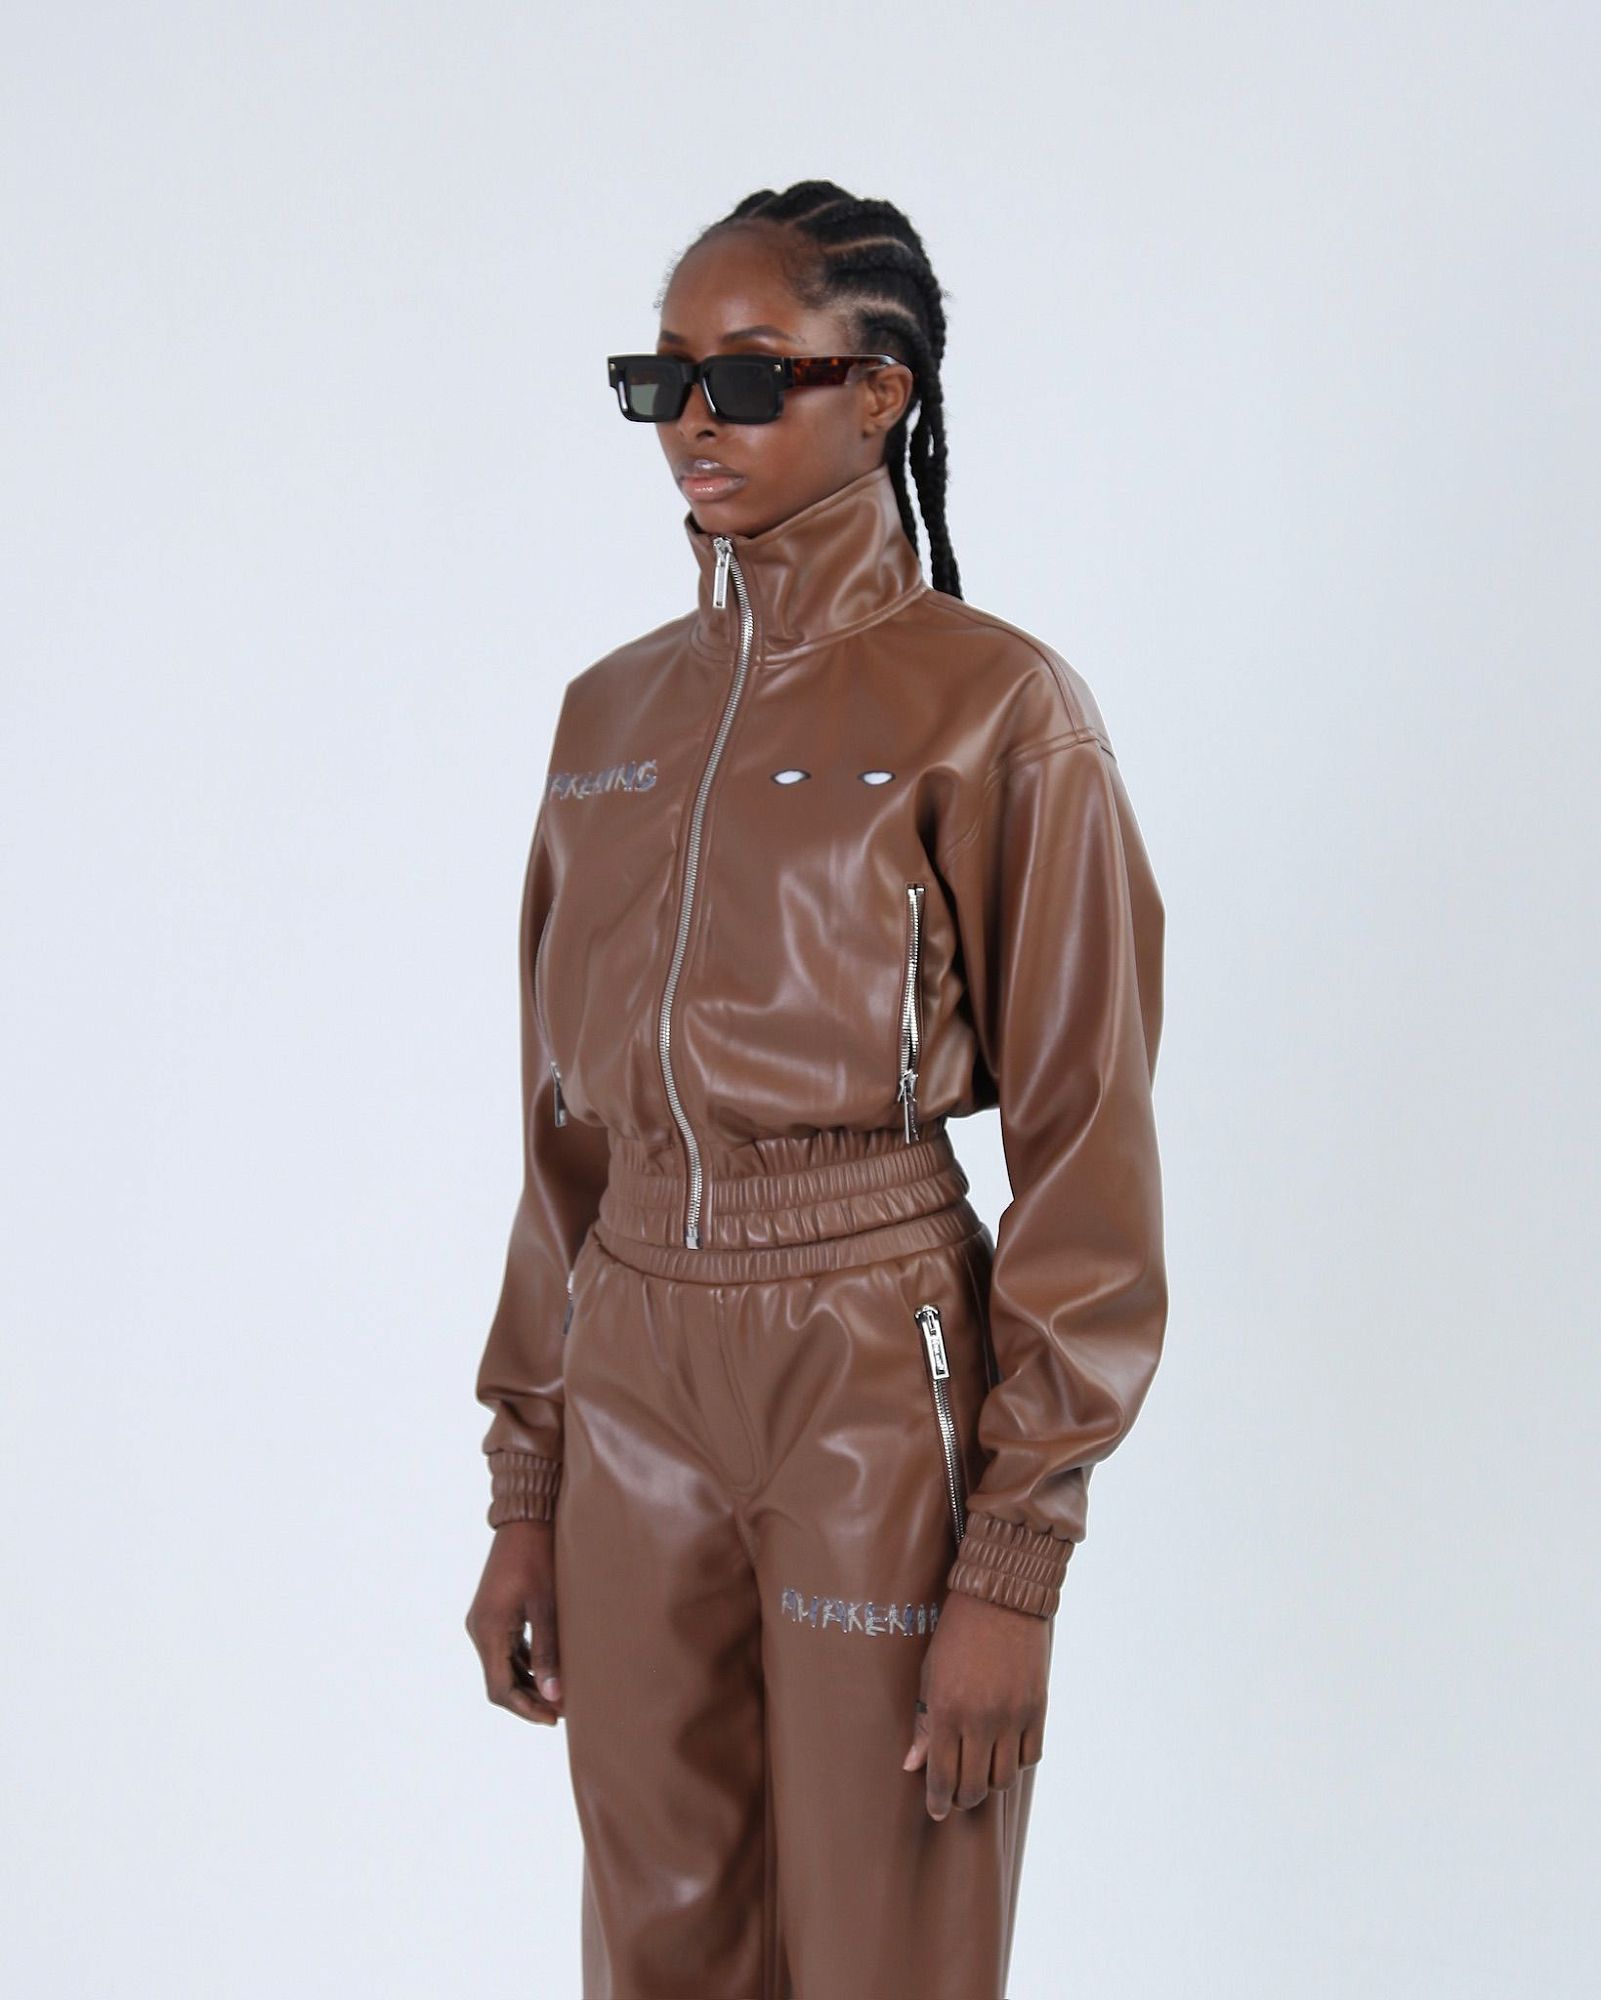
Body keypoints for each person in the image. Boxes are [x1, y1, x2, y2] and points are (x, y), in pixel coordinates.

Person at [464, 180, 1168, 2000]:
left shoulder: (996, 709)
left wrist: (1012, 1562)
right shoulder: (607, 720)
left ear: (880, 394)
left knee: (881, 1942)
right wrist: (527, 1485)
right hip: (631, 1359)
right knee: (658, 1938)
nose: (694, 421)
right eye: (661, 380)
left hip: (868, 1353)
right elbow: (562, 1140)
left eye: (750, 375)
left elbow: (1086, 1139)